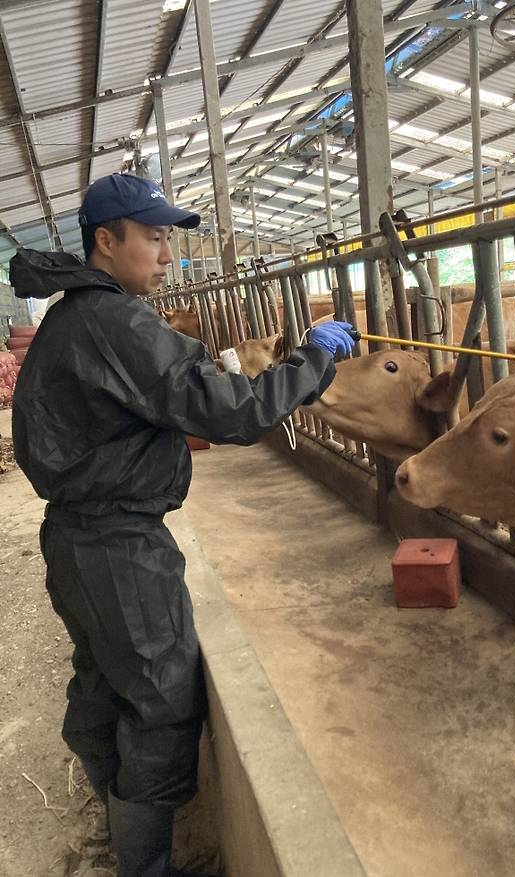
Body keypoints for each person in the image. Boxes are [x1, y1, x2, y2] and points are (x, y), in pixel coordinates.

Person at [9, 172, 354, 877]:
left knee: (107, 681)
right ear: (107, 241)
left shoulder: (73, 317)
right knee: (163, 698)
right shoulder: (116, 322)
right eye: (156, 237)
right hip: (118, 543)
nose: (168, 255)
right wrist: (314, 358)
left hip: (80, 538)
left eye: (169, 238)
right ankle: (143, 866)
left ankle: (115, 822)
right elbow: (231, 411)